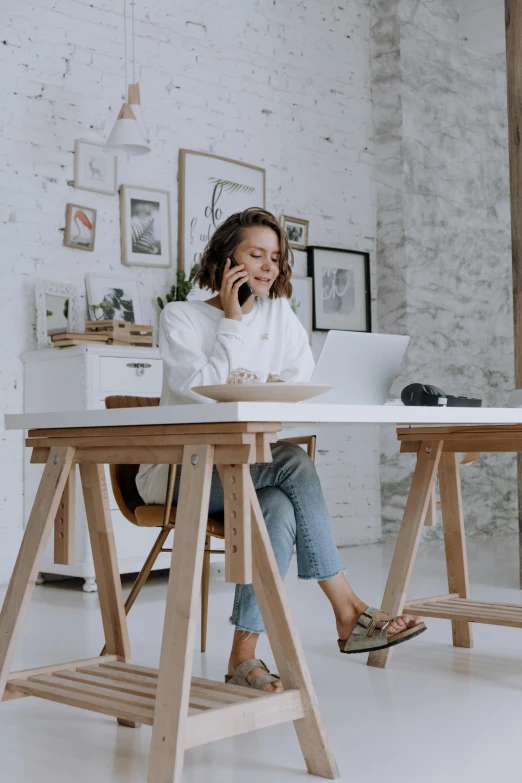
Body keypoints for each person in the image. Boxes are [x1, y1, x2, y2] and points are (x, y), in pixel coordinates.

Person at [136, 207, 425, 693]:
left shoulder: (279, 317)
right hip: (182, 474)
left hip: (250, 472)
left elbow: (299, 389)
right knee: (292, 460)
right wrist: (231, 319)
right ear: (227, 257)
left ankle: (243, 657)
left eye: (275, 256)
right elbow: (200, 389)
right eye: (255, 254)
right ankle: (348, 609)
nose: (268, 266)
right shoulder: (181, 316)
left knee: (276, 507)